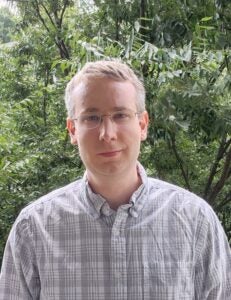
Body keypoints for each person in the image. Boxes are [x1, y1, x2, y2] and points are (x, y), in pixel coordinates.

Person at [0, 60, 230, 300]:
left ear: (142, 125)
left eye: (120, 115)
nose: (107, 133)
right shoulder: (34, 229)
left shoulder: (195, 221)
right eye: (92, 117)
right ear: (72, 130)